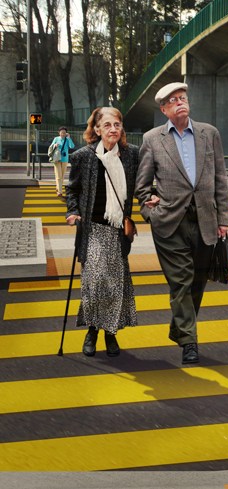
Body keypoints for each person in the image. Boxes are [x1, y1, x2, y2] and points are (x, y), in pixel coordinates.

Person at [136, 82, 228, 365]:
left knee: (197, 282)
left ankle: (179, 328)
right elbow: (141, 186)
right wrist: (150, 209)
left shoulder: (209, 133)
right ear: (164, 109)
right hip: (168, 223)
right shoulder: (152, 139)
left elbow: (220, 179)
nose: (180, 102)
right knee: (181, 282)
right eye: (172, 100)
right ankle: (190, 342)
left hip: (205, 220)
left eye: (183, 98)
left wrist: (223, 218)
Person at [64, 108, 140, 358]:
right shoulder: (83, 157)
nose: (113, 129)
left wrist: (150, 198)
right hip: (93, 230)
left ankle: (110, 333)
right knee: (95, 283)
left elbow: (142, 184)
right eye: (107, 125)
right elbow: (72, 189)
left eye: (117, 124)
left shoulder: (131, 155)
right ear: (96, 130)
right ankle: (93, 330)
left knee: (114, 285)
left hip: (118, 231)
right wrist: (73, 211)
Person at [50, 126, 76, 198]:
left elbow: (72, 146)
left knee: (62, 176)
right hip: (57, 159)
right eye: (62, 133)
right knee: (58, 176)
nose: (63, 134)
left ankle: (58, 189)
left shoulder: (67, 139)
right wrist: (55, 145)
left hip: (65, 159)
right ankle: (60, 192)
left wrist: (69, 138)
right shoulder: (56, 139)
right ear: (59, 132)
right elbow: (51, 146)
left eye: (64, 133)